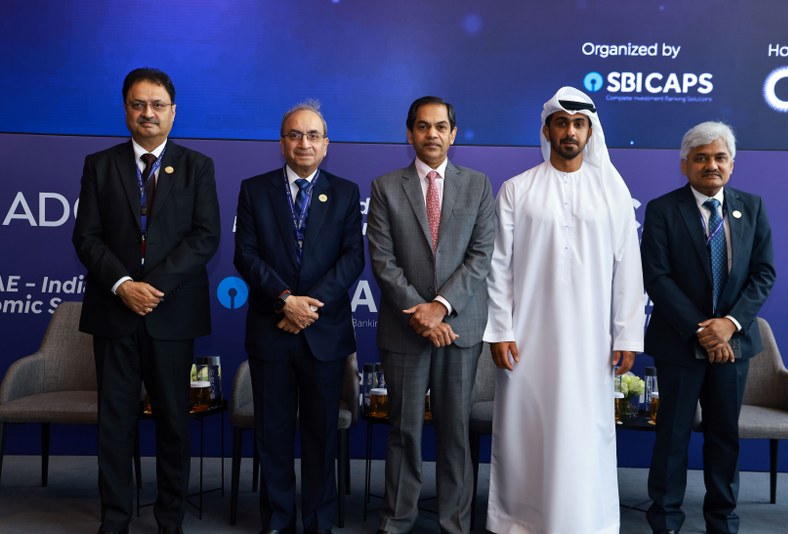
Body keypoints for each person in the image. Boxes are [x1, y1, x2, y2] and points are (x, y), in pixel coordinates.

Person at [483, 86, 645, 534]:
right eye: (561, 123)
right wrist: (500, 330)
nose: (570, 132)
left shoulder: (612, 192)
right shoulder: (517, 189)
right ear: (547, 131)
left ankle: (585, 522)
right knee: (527, 431)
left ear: (590, 132)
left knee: (584, 431)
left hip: (592, 340)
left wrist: (626, 335)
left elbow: (628, 268)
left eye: (578, 124)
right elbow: (499, 267)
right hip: (527, 339)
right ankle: (520, 521)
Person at [72, 67, 221, 534]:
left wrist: (151, 287)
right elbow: (86, 237)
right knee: (115, 425)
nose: (148, 113)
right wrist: (123, 285)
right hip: (114, 313)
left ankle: (169, 519)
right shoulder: (99, 165)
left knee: (174, 423)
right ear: (126, 110)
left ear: (174, 112)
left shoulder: (197, 166)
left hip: (171, 313)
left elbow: (205, 237)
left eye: (157, 105)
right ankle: (114, 519)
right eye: (138, 105)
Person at [234, 100, 364, 534]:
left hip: (324, 333)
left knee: (321, 434)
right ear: (282, 142)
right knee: (272, 432)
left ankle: (318, 521)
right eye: (294, 135)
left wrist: (307, 307)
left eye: (312, 135)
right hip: (271, 329)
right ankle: (277, 519)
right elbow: (245, 255)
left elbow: (352, 259)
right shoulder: (254, 190)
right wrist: (285, 300)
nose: (303, 143)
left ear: (326, 144)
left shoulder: (346, 192)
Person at [366, 96, 495, 534]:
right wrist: (420, 315)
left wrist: (440, 309)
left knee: (455, 432)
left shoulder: (478, 185)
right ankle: (396, 520)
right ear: (410, 134)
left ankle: (454, 523)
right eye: (423, 126)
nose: (432, 134)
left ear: (453, 134)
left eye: (441, 127)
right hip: (404, 329)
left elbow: (481, 256)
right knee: (403, 430)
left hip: (458, 328)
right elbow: (383, 261)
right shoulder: (385, 187)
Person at [642, 121, 775, 534]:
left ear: (732, 164)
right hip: (679, 343)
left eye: (719, 157)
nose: (711, 165)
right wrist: (704, 330)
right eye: (701, 158)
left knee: (724, 438)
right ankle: (665, 520)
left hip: (734, 345)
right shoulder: (663, 209)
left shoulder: (752, 207)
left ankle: (722, 521)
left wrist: (729, 325)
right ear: (685, 165)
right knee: (672, 437)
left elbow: (763, 273)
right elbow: (657, 277)